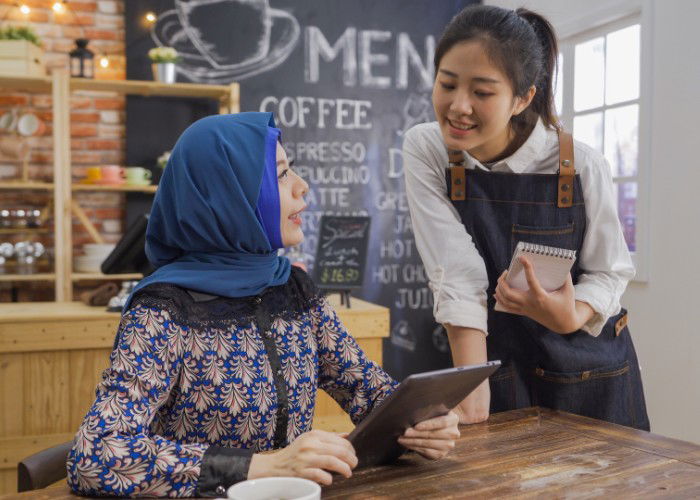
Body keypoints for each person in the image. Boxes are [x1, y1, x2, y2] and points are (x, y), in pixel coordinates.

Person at [67, 112, 460, 498]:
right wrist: (265, 467)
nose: (302, 186)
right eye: (281, 174)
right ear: (227, 194)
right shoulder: (163, 310)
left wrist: (422, 424)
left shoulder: (292, 288)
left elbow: (367, 390)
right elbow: (95, 454)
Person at [403, 5, 649, 430]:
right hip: (499, 364)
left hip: (589, 372)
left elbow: (610, 271)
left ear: (522, 98)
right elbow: (454, 266)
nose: (458, 106)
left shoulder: (579, 164)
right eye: (447, 84)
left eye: (482, 93)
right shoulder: (427, 148)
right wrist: (470, 379)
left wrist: (569, 315)